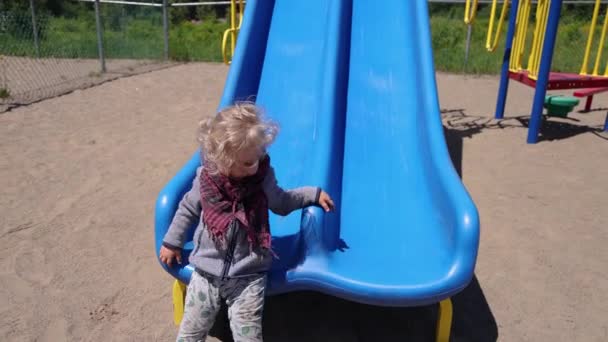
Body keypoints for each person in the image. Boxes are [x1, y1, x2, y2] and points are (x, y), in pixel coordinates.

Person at [159, 102, 335, 342]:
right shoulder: (206, 180)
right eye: (246, 163)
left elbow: (282, 202)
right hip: (206, 271)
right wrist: (172, 242)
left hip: (249, 274)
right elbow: (187, 208)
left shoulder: (262, 180)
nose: (253, 168)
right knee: (191, 332)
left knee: (249, 337)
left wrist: (311, 195)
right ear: (222, 158)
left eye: (257, 160)